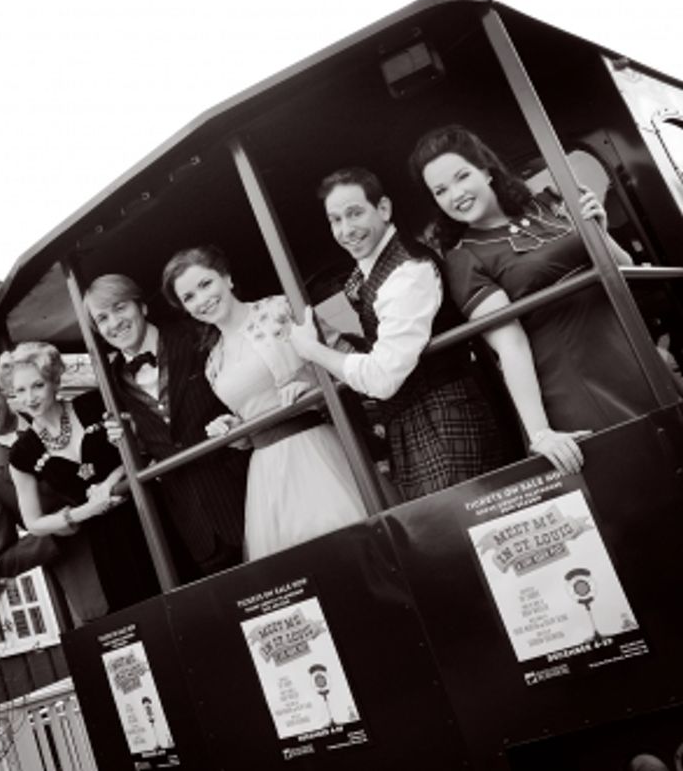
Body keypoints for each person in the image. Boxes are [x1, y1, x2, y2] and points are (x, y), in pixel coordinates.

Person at [409, 125, 655, 474]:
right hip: (577, 388)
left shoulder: (550, 202)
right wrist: (540, 433)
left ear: (486, 170)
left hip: (636, 359)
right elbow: (511, 346)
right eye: (441, 191)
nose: (456, 194)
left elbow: (623, 272)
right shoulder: (465, 258)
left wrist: (599, 230)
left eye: (462, 176)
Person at [288, 167, 507, 499]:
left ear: (384, 209)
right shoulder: (377, 270)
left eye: (354, 213)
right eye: (335, 220)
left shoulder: (408, 271)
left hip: (444, 422)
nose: (345, 230)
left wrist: (312, 349)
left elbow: (382, 378)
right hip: (416, 424)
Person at [161, 245, 367, 560]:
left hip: (315, 451)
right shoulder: (212, 361)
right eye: (189, 297)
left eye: (205, 284)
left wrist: (312, 386)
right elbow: (252, 416)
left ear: (227, 278)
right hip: (267, 471)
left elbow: (349, 362)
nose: (202, 300)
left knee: (352, 550)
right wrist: (234, 430)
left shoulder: (280, 309)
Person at [84, 273, 248, 575]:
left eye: (120, 308)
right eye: (103, 318)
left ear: (142, 307)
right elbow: (146, 450)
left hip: (248, 491)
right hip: (194, 526)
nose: (114, 322)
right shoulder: (110, 383)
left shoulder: (198, 335)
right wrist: (132, 441)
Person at [1, 341, 160, 616]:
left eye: (37, 385)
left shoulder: (96, 403)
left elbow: (142, 446)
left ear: (54, 381)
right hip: (108, 542)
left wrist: (111, 482)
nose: (30, 398)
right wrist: (84, 511)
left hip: (149, 513)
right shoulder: (22, 454)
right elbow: (33, 522)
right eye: (20, 390)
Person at [0, 368, 107, 624]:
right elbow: (1, 561)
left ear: (3, 390)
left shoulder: (63, 413)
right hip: (94, 584)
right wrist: (54, 531)